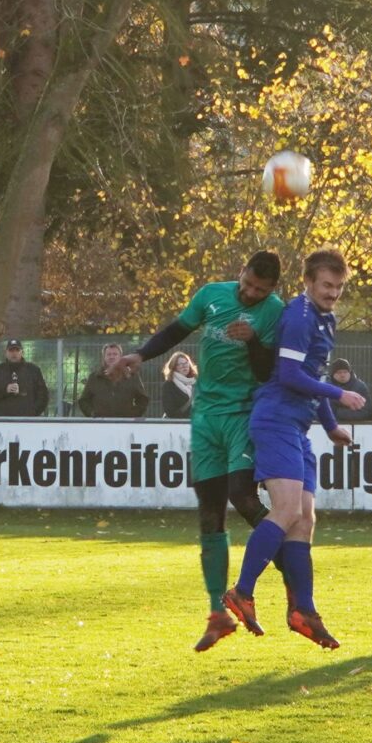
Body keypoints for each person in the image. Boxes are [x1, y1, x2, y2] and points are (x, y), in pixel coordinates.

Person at [109, 251, 286, 653]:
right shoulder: (211, 295)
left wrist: (253, 341)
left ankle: (290, 565)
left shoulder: (275, 312)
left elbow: (267, 371)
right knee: (209, 514)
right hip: (205, 417)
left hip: (242, 415)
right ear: (241, 271)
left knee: (243, 497)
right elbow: (176, 331)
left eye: (260, 290)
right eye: (248, 283)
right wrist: (140, 354)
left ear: (272, 289)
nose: (251, 293)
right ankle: (218, 614)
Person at [222, 249, 366, 650]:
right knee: (286, 511)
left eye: (339, 287)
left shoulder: (325, 318)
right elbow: (288, 375)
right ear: (308, 282)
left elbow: (310, 375)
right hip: (276, 420)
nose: (333, 293)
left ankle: (303, 610)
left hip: (297, 426)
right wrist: (339, 394)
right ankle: (242, 591)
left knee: (304, 519)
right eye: (327, 285)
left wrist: (331, 426)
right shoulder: (300, 317)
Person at [78, 343, 149, 418]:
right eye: (108, 354)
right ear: (104, 357)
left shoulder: (132, 376)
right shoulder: (94, 377)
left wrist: (133, 415)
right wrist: (92, 414)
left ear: (121, 357)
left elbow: (143, 399)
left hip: (125, 423)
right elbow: (83, 400)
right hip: (100, 423)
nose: (112, 357)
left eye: (115, 354)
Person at [0, 340, 49, 417]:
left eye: (17, 350)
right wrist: (5, 390)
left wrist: (32, 413)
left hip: (27, 421)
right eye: (11, 350)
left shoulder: (33, 371)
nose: (14, 353)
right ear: (6, 353)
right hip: (3, 420)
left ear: (22, 352)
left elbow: (43, 396)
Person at [327, 358, 372, 423]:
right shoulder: (326, 388)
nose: (342, 375)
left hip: (357, 426)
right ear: (333, 374)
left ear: (350, 373)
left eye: (345, 372)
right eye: (339, 372)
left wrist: (339, 413)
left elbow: (366, 411)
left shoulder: (360, 387)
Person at [161, 351, 197, 420]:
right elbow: (170, 412)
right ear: (174, 367)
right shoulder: (168, 385)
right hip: (178, 424)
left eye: (186, 363)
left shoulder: (196, 383)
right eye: (180, 364)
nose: (184, 366)